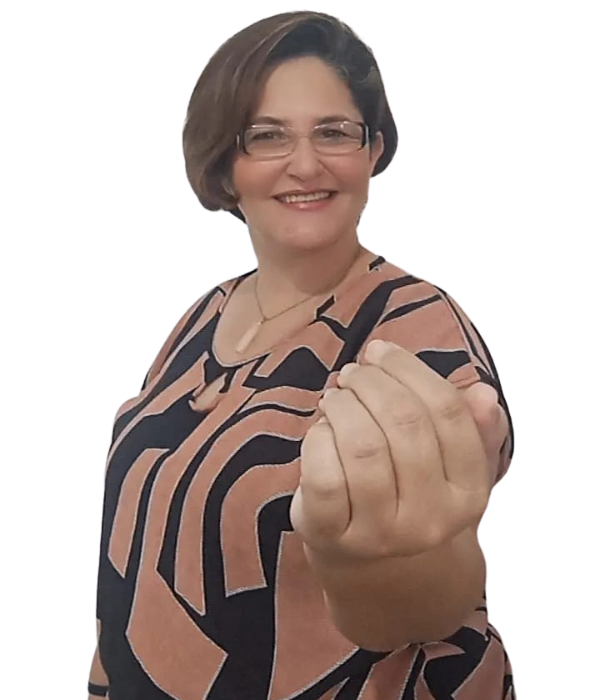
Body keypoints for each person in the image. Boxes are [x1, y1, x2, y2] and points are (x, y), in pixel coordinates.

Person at [89, 10, 516, 699]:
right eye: (267, 135)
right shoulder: (201, 314)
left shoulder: (413, 327)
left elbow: (432, 594)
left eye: (334, 132)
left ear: (374, 151)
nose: (307, 163)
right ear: (226, 162)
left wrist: (392, 565)